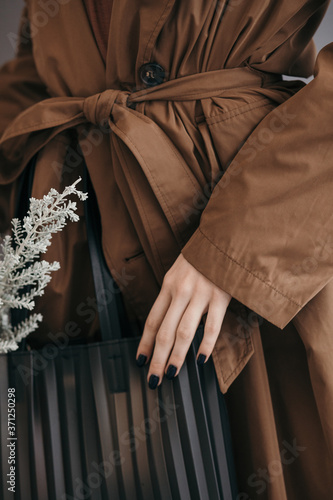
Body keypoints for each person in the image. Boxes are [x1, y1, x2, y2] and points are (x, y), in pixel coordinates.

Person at [0, 1, 332, 498]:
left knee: (269, 453)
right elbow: (32, 76)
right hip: (73, 246)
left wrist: (232, 250)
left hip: (260, 243)